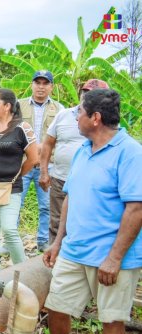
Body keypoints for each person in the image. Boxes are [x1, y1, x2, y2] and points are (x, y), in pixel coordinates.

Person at [25, 89, 142, 334]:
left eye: (79, 113)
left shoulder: (130, 153)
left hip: (112, 257)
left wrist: (115, 258)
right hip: (75, 250)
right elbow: (71, 199)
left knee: (112, 319)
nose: (74, 118)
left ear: (96, 118)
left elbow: (136, 209)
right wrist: (58, 242)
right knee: (57, 305)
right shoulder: (83, 151)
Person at [38, 79, 109, 246]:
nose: (88, 97)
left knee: (85, 222)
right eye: (86, 93)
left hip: (91, 184)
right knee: (56, 221)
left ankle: (77, 260)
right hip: (61, 179)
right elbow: (48, 143)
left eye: (94, 94)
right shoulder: (64, 115)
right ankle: (54, 259)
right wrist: (44, 172)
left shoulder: (108, 122)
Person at [0, 88, 39, 272]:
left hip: (11, 188)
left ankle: (23, 272)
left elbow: (33, 158)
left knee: (9, 230)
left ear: (7, 106)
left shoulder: (22, 128)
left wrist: (18, 174)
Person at [15, 70, 64, 252]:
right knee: (15, 204)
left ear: (51, 87)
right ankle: (12, 242)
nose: (41, 87)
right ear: (32, 85)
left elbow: (62, 136)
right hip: (23, 163)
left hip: (47, 165)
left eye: (45, 83)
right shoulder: (19, 106)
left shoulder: (60, 109)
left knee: (46, 206)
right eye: (38, 83)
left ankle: (43, 241)